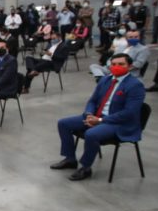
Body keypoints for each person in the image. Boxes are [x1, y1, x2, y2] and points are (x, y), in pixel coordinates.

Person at [51, 53, 146, 181]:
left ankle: (85, 167)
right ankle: (70, 159)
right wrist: (89, 114)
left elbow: (129, 113)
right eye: (113, 64)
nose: (116, 67)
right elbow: (92, 101)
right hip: (97, 116)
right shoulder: (105, 79)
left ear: (129, 67)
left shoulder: (135, 85)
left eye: (121, 64)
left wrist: (100, 120)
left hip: (118, 123)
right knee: (63, 123)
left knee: (91, 134)